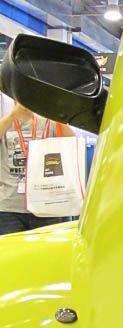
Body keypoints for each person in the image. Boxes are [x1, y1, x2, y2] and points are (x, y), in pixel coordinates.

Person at [0, 100, 75, 235]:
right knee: (11, 254)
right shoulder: (6, 123)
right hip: (10, 208)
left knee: (49, 253)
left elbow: (72, 142)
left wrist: (55, 114)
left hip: (47, 205)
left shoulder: (48, 122)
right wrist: (13, 115)